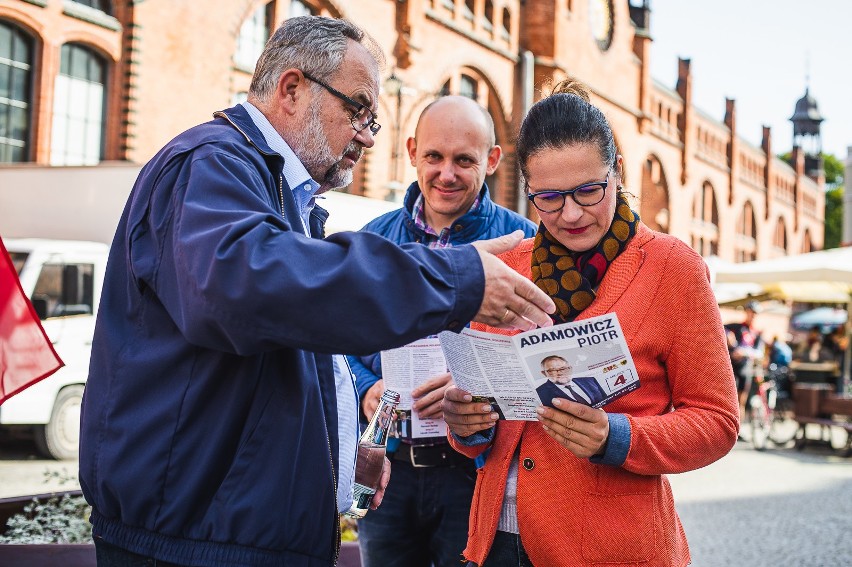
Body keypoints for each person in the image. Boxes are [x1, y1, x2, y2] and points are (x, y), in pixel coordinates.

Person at [78, 17, 556, 567]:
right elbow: (252, 289)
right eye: (357, 108)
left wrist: (333, 453)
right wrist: (458, 278)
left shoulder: (269, 188)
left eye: (373, 117)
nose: (367, 134)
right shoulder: (210, 165)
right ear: (291, 88)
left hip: (223, 533)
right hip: (195, 544)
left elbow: (274, 359)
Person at [442, 77, 739, 567]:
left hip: (610, 548)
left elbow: (718, 422)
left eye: (588, 190)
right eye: (549, 198)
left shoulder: (671, 267)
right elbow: (485, 397)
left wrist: (617, 438)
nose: (571, 213)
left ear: (617, 171)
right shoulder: (511, 264)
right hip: (496, 541)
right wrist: (467, 424)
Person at [346, 95, 536, 567]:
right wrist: (367, 388)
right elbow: (338, 342)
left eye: (464, 160)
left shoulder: (524, 244)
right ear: (412, 152)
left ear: (492, 161)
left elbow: (540, 354)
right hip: (388, 468)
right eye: (434, 156)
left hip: (475, 472)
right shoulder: (374, 238)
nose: (446, 173)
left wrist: (473, 387)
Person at [725, 300, 765, 418]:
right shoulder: (736, 327)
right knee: (728, 401)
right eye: (750, 312)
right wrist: (728, 335)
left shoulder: (757, 333)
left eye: (754, 313)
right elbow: (719, 326)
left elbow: (759, 353)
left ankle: (738, 429)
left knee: (740, 402)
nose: (752, 315)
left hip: (745, 369)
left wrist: (744, 352)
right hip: (731, 368)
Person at [535, 354, 606, 406]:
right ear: (544, 373)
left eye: (563, 368)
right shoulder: (540, 393)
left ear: (570, 369)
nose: (560, 373)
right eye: (553, 370)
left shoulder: (590, 380)